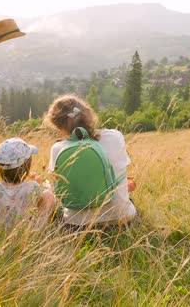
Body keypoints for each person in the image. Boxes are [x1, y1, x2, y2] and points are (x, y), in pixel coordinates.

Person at [45, 95, 137, 229]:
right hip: (121, 219)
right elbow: (120, 170)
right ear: (87, 114)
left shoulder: (58, 149)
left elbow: (60, 190)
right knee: (130, 203)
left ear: (59, 126)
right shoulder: (115, 136)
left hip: (77, 224)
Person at [0, 138, 56, 229]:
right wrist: (38, 185)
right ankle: (39, 228)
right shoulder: (31, 187)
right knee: (48, 195)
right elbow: (48, 198)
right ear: (26, 166)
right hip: (26, 232)